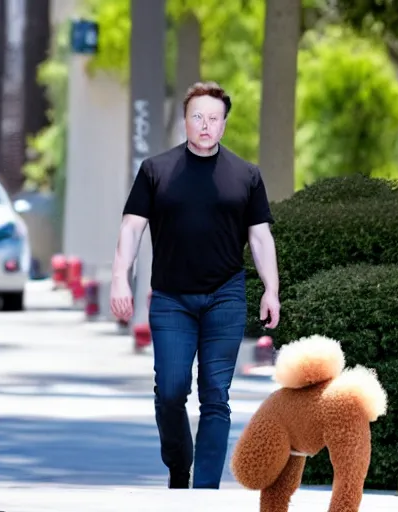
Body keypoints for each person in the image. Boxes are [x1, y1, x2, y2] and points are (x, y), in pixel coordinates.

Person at [110, 81, 280, 489]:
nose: (205, 125)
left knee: (215, 396)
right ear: (185, 121)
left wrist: (271, 289)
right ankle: (178, 466)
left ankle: (203, 493)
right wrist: (121, 278)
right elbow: (132, 228)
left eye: (214, 119)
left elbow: (260, 237)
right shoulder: (155, 171)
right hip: (171, 298)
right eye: (197, 117)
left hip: (226, 295)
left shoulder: (246, 175)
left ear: (223, 125)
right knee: (170, 391)